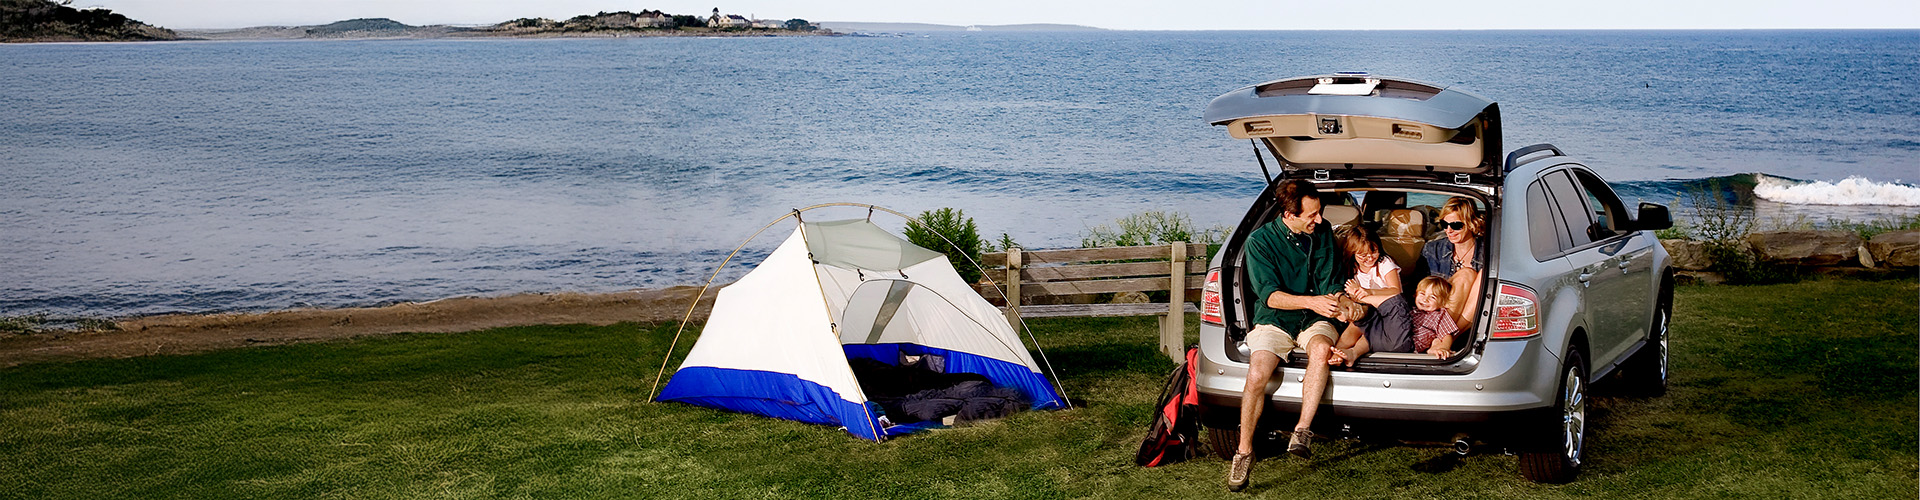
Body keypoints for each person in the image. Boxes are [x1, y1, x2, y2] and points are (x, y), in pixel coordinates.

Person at [1226, 179, 1345, 492]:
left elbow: (1332, 279)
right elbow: (1269, 296)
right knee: (1256, 374)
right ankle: (1244, 452)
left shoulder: (1324, 233)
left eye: (1319, 212)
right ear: (1289, 215)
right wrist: (1312, 301)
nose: (1318, 220)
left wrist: (1339, 303)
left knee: (1320, 351)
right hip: (1275, 319)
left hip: (1315, 319)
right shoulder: (1259, 242)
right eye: (1312, 215)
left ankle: (1302, 432)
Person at [1329, 226, 1414, 365]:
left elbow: (1396, 291)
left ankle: (1351, 351)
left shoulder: (1384, 263)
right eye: (1363, 255)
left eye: (1373, 251)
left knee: (1370, 327)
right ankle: (1338, 352)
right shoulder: (1353, 269)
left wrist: (1368, 291)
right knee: (1356, 326)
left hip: (1390, 313)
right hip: (1368, 312)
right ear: (1352, 253)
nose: (1369, 258)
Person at [1420, 197, 1486, 331]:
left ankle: (1445, 336)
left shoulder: (1489, 253)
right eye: (1445, 224)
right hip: (1432, 313)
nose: (1449, 230)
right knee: (1466, 275)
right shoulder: (1433, 249)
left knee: (1478, 275)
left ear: (1471, 223)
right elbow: (1421, 289)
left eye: (1456, 225)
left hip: (1471, 321)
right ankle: (1443, 336)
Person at [1411, 277, 1462, 358]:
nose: (1425, 299)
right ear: (1416, 294)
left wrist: (1444, 347)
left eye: (1432, 297)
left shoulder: (1439, 315)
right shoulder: (1410, 310)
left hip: (1414, 349)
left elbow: (1446, 335)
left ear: (1442, 303)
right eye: (1422, 294)